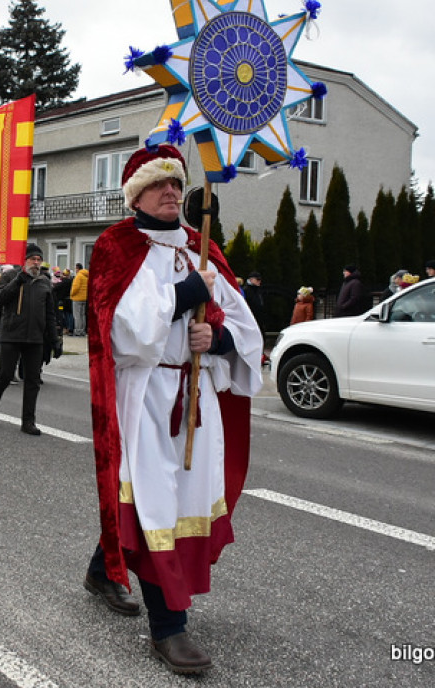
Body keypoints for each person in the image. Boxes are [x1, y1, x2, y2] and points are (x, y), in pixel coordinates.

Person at [84, 145, 263, 676]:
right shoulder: (116, 247)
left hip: (197, 397)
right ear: (135, 193)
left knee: (172, 498)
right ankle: (169, 628)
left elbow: (245, 326)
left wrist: (221, 337)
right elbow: (121, 332)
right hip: (147, 396)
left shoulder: (202, 248)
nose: (170, 191)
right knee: (153, 501)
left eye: (175, 183)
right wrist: (185, 292)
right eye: (158, 183)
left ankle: (103, 567)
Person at [0, 243, 57, 435]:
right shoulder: (10, 276)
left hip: (35, 338)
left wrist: (55, 339)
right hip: (11, 335)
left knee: (33, 380)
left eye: (39, 260)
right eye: (33, 259)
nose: (36, 263)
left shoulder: (44, 282)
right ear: (24, 260)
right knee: (5, 375)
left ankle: (28, 422)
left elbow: (50, 314)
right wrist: (18, 280)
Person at [243, 271, 266, 337]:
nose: (259, 281)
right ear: (251, 279)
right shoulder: (246, 290)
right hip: (250, 319)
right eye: (257, 280)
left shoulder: (258, 290)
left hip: (258, 319)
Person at [70, 262, 88, 337]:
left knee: (77, 315)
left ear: (77, 268)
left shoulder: (79, 276)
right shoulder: (86, 276)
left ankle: (78, 331)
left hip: (77, 298)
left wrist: (71, 294)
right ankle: (83, 330)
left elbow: (75, 287)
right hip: (84, 298)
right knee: (82, 315)